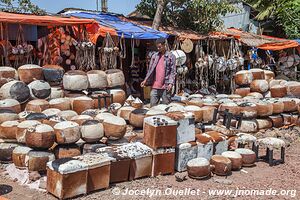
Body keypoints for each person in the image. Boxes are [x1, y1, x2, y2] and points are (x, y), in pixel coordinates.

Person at [140, 38, 176, 107]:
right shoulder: (154, 56)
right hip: (155, 86)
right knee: (153, 107)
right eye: (157, 47)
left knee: (165, 107)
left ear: (164, 45)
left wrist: (171, 84)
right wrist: (145, 80)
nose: (158, 48)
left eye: (160, 47)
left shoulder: (171, 56)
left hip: (165, 86)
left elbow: (173, 71)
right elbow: (150, 70)